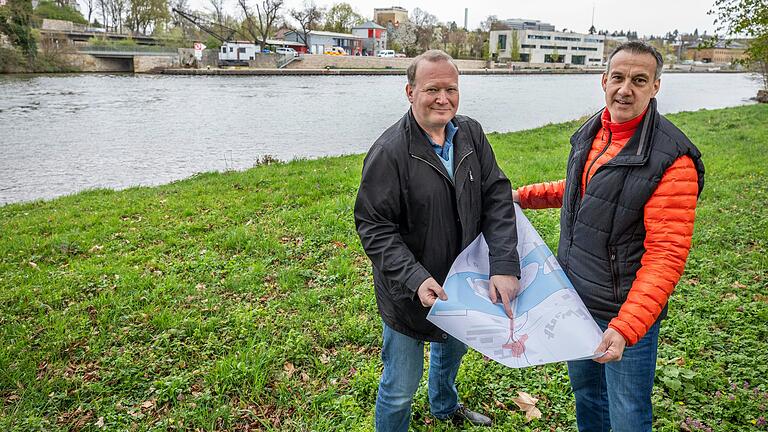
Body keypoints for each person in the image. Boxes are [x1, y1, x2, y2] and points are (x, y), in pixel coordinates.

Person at [513, 41, 705, 431]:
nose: (625, 89)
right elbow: (586, 188)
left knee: (628, 413)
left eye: (639, 80)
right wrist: (523, 197)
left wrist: (625, 326)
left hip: (623, 313)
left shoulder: (672, 160)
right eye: (618, 77)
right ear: (603, 80)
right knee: (588, 399)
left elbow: (666, 256)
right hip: (576, 302)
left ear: (655, 87)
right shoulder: (596, 132)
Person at [354, 49, 521, 431]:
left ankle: (444, 406)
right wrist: (414, 279)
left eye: (451, 89)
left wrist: (504, 265)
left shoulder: (471, 135)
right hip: (408, 293)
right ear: (410, 91)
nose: (442, 98)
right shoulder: (389, 152)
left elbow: (496, 196)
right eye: (432, 89)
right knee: (399, 386)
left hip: (461, 284)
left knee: (451, 352)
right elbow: (374, 226)